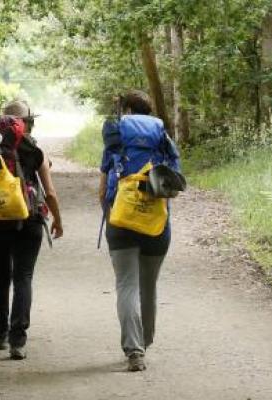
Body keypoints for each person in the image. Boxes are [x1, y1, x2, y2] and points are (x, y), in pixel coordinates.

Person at [0, 100, 63, 360]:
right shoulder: (33, 149)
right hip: (29, 220)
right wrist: (58, 220)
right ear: (26, 123)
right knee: (23, 278)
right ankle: (18, 341)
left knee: (0, 277)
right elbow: (50, 193)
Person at [98, 90, 182, 372]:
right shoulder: (162, 139)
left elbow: (102, 189)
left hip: (120, 220)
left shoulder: (116, 138)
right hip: (156, 224)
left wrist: (109, 212)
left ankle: (134, 351)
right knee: (148, 286)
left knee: (127, 285)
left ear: (128, 111)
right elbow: (175, 184)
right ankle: (144, 342)